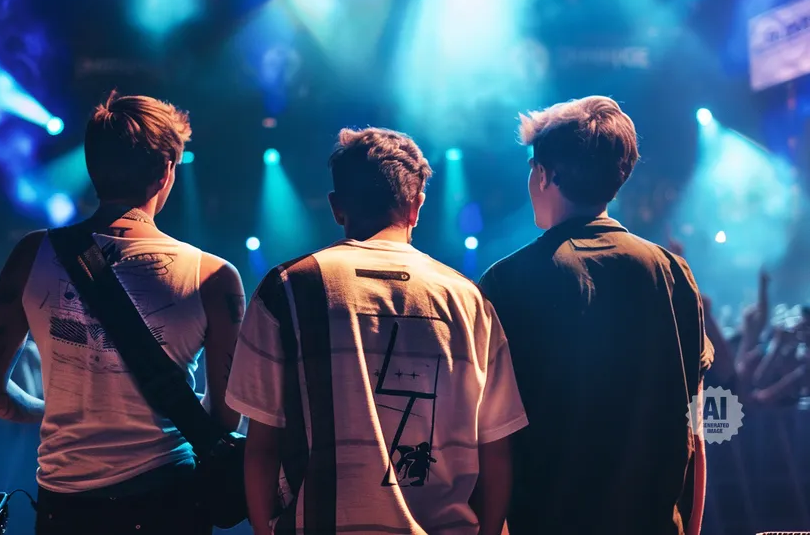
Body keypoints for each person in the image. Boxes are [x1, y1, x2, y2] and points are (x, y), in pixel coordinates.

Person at [0, 92, 244, 535]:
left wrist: (47, 409)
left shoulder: (32, 255)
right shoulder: (213, 277)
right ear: (166, 172)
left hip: (67, 510)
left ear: (93, 169)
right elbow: (224, 419)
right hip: (170, 504)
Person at [227, 128, 528, 535]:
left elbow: (261, 447)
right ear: (417, 206)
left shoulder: (286, 290)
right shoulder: (468, 300)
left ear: (336, 207)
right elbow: (496, 450)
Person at [477, 96, 714, 535]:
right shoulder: (672, 274)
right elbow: (695, 430)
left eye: (533, 169)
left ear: (545, 175)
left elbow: (494, 440)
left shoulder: (507, 282)